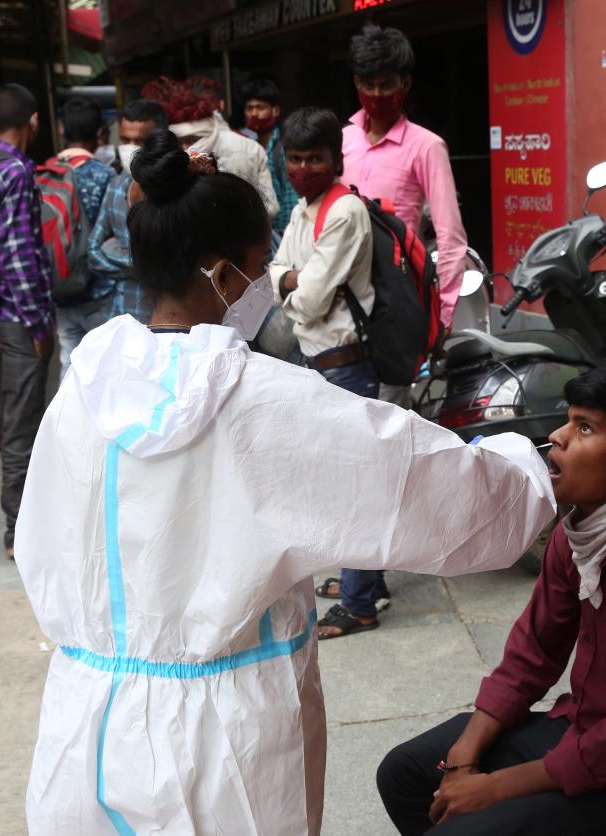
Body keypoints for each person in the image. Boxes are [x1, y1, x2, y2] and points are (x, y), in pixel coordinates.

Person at [13, 128, 556, 835]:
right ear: (222, 272)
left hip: (85, 725)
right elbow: (410, 481)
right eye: (258, 265)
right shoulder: (260, 401)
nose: (264, 284)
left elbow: (44, 538)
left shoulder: (83, 387)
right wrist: (526, 469)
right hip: (221, 742)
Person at [376, 364, 606, 836]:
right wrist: (465, 756)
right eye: (569, 420)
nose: (558, 436)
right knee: (405, 773)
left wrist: (492, 790)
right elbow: (532, 656)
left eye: (584, 427)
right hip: (577, 732)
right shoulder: (575, 539)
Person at [267, 107, 391, 638]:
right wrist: (291, 279)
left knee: (354, 485)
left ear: (334, 160)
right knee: (347, 479)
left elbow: (311, 299)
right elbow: (274, 273)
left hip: (346, 364)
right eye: (294, 158)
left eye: (313, 158)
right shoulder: (303, 209)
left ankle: (360, 603)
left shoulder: (343, 212)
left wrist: (290, 284)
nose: (301, 167)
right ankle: (367, 582)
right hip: (319, 362)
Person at [343, 24, 469, 406]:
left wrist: (443, 318)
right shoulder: (342, 138)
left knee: (387, 410)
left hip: (394, 297)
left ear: (406, 84)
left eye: (387, 84)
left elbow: (451, 237)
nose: (377, 94)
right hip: (339, 298)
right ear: (356, 82)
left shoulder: (427, 146)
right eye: (369, 83)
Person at [0, 83, 55, 560]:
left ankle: (19, 522)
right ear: (33, 122)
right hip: (18, 314)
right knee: (23, 421)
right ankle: (18, 528)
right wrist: (38, 323)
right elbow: (19, 255)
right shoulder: (17, 172)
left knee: (18, 417)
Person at [142, 75, 279, 219]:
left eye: (193, 140)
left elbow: (270, 206)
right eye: (180, 141)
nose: (187, 147)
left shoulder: (247, 149)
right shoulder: (167, 157)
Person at [88, 98, 169, 323]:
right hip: (122, 313)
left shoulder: (175, 188)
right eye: (125, 139)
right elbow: (93, 252)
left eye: (140, 141)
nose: (130, 148)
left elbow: (171, 263)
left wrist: (113, 251)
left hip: (165, 318)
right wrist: (143, 269)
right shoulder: (115, 185)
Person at [52, 97, 117, 376]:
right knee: (104, 369)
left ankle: (65, 419)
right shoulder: (106, 176)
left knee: (69, 364)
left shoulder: (43, 174)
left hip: (60, 289)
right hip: (99, 291)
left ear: (61, 129)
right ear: (101, 133)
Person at [240, 76, 300, 244]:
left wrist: (290, 234)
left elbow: (291, 196)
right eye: (249, 108)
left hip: (283, 232)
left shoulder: (284, 145)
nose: (254, 113)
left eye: (260, 107)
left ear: (275, 111)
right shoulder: (245, 145)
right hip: (259, 233)